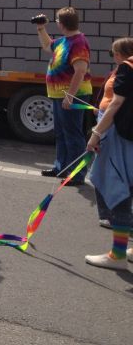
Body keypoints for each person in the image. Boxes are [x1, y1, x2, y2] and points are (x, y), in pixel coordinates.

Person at [84, 37, 133, 269]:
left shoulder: (128, 67)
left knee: (118, 189)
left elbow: (116, 103)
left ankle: (118, 255)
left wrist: (96, 133)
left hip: (123, 139)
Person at [36, 7, 92, 185]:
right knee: (61, 133)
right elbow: (47, 45)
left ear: (62, 24)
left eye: (57, 21)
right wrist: (40, 28)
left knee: (73, 134)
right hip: (59, 95)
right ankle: (61, 167)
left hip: (73, 95)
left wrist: (70, 97)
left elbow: (80, 71)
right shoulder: (63, 41)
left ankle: (76, 174)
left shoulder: (78, 42)